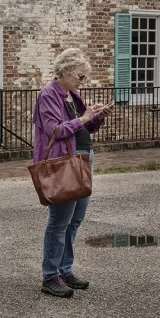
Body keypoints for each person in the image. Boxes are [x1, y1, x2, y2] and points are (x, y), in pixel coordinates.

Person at [33, 48, 112, 298]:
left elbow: (83, 129)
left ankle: (65, 270)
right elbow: (54, 130)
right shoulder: (48, 94)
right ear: (66, 72)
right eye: (80, 76)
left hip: (83, 158)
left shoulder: (72, 95)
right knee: (59, 222)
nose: (82, 82)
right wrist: (83, 117)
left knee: (75, 220)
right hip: (63, 161)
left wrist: (96, 117)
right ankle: (50, 276)